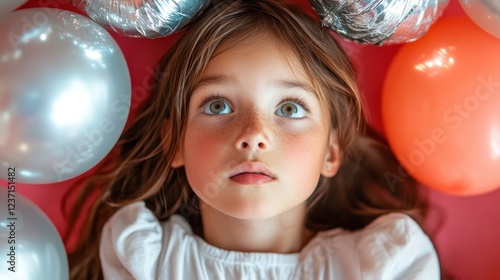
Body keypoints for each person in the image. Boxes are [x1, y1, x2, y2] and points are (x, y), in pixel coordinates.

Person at [65, 0, 440, 279]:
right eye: (217, 105)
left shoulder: (381, 268)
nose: (253, 135)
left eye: (290, 109)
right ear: (175, 142)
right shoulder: (144, 263)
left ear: (331, 151)